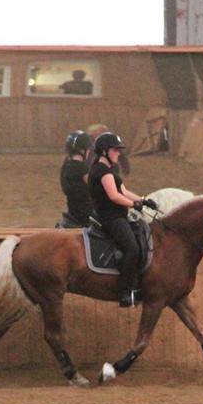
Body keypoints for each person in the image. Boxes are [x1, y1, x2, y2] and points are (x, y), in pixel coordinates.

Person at [87, 131, 152, 308]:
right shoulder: (101, 171)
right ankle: (124, 292)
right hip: (111, 218)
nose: (118, 153)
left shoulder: (109, 170)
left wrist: (143, 200)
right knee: (132, 249)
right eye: (115, 150)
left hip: (117, 216)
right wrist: (133, 205)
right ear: (104, 151)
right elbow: (114, 196)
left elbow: (124, 191)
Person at [57, 130, 94, 228]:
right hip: (86, 216)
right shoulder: (81, 168)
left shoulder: (66, 166)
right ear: (83, 150)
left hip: (73, 212)